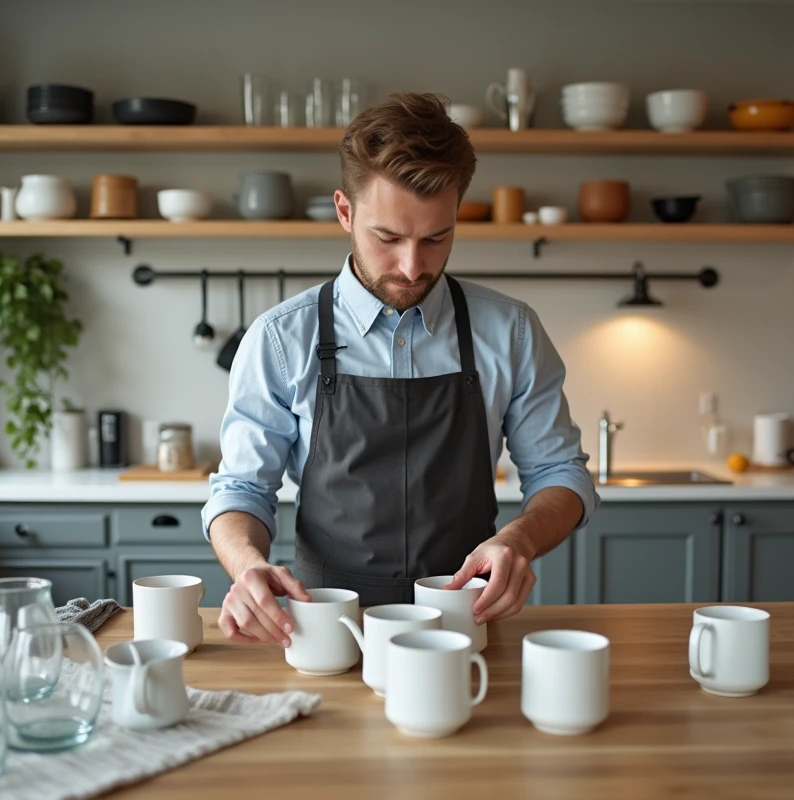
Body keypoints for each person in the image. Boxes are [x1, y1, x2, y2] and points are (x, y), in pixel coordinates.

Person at [202, 92, 597, 646]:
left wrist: (520, 541)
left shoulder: (511, 331)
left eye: (437, 238)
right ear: (344, 211)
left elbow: (562, 475)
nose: (413, 267)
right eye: (387, 238)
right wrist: (247, 564)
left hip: (462, 622)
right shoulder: (280, 339)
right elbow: (242, 487)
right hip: (322, 624)